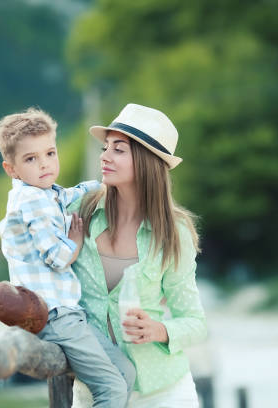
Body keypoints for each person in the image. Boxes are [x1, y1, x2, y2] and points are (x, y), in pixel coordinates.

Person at [0, 107, 135, 408]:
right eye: (31, 159)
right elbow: (57, 257)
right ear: (11, 169)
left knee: (125, 372)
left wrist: (109, 183)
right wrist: (75, 241)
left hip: (69, 313)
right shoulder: (32, 200)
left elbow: (73, 193)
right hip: (54, 315)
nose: (44, 165)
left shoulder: (45, 193)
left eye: (50, 153)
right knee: (111, 387)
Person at [69, 103, 207, 407]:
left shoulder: (174, 233)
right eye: (106, 147)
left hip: (163, 392)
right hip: (95, 392)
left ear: (146, 161)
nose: (104, 156)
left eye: (119, 149)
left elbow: (196, 322)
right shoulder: (81, 213)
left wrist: (158, 329)